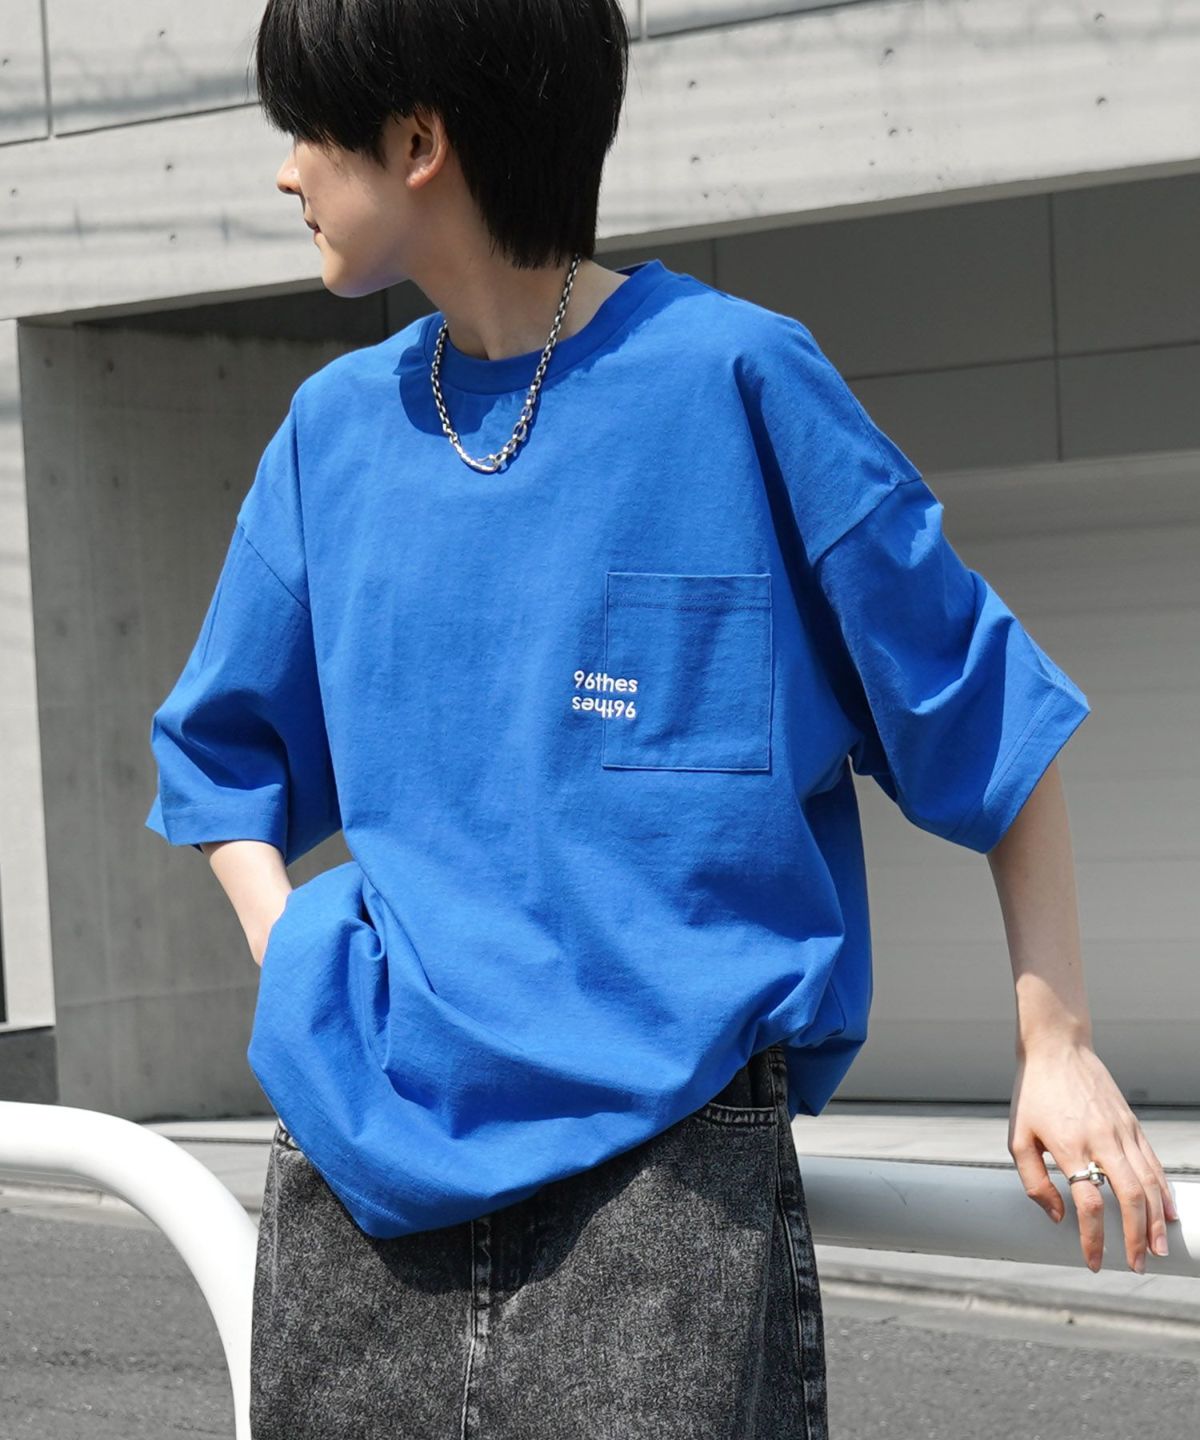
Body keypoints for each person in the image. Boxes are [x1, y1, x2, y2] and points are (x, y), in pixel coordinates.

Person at [144, 1, 1178, 1436]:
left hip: (667, 1197)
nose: (286, 172)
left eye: (309, 131)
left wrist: (1053, 1042)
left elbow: (981, 706)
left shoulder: (735, 379)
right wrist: (306, 964)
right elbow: (218, 755)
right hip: (358, 1183)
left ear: (421, 140)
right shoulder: (333, 433)